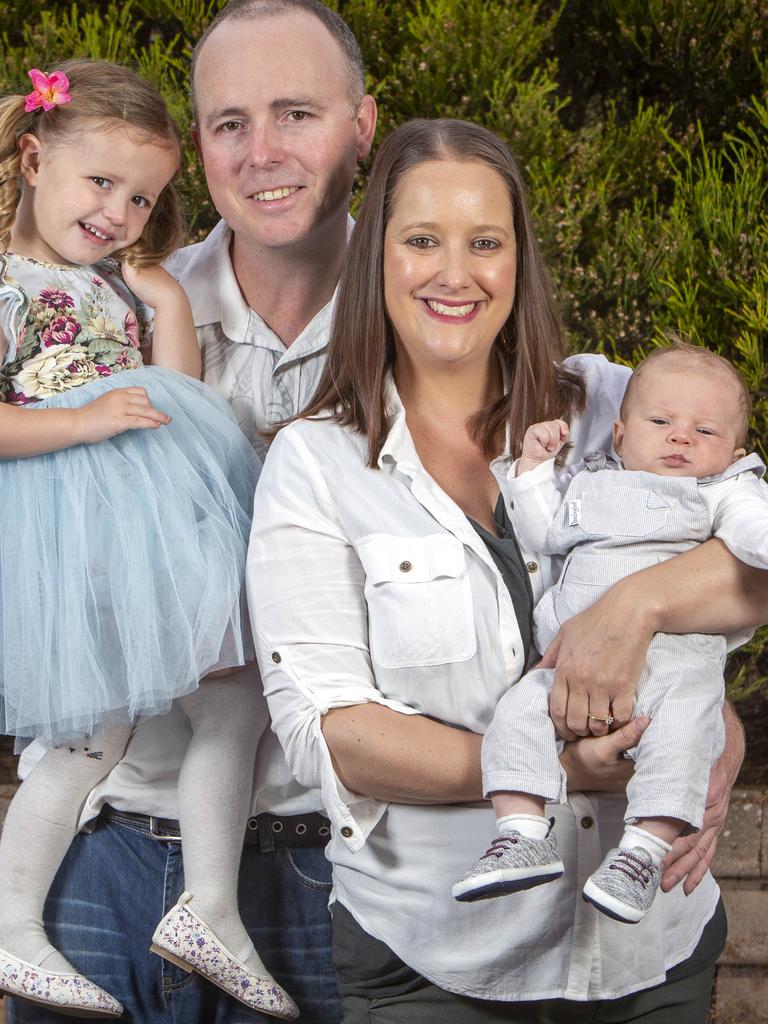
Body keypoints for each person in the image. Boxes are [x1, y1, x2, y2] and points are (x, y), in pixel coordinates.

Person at [248, 119, 768, 1023]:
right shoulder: (316, 464)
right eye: (422, 241)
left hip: (652, 954)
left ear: (519, 258)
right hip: (433, 956)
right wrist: (572, 768)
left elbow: (752, 566)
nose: (456, 274)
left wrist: (635, 610)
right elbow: (334, 734)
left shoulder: (616, 404)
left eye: (485, 242)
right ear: (376, 257)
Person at [7, 3, 377, 1022]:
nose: (262, 152)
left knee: (234, 692)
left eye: (297, 112)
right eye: (228, 123)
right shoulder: (66, 299)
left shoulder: (431, 306)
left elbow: (639, 453)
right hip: (100, 849)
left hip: (325, 867)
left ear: (361, 124)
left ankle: (213, 905)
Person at [453, 342, 768, 923]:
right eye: (661, 422)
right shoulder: (592, 482)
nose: (681, 438)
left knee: (683, 739)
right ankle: (521, 830)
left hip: (675, 665)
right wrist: (530, 472)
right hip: (564, 663)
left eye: (705, 430)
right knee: (518, 713)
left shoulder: (724, 490)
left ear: (734, 454)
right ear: (619, 435)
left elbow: (754, 537)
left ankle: (641, 856)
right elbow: (543, 530)